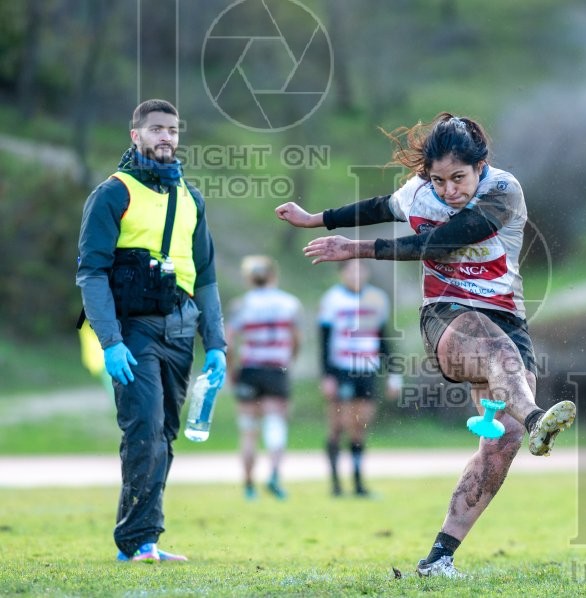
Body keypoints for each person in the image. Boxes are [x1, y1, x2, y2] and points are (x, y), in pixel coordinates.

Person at [275, 112, 576, 578]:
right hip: (446, 317)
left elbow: (444, 241)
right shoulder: (417, 193)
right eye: (438, 180)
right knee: (499, 361)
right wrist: (316, 220)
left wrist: (353, 248)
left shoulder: (503, 192)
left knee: (504, 441)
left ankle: (438, 558)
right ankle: (537, 416)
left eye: (459, 178)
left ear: (481, 167)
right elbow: (380, 206)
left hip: (506, 318)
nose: (449, 190)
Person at [76, 99, 227, 563]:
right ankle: (138, 541)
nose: (166, 137)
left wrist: (217, 344)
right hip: (133, 330)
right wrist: (111, 341)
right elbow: (91, 272)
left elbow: (205, 278)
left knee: (162, 434)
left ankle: (143, 541)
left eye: (173, 130)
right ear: (135, 135)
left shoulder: (191, 199)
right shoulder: (111, 194)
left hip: (180, 332)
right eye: (157, 129)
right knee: (143, 430)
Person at [319, 259, 401, 497]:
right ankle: (335, 484)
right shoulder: (331, 299)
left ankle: (358, 484)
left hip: (367, 369)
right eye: (351, 270)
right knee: (338, 426)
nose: (356, 274)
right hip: (341, 368)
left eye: (360, 269)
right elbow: (323, 339)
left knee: (360, 426)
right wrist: (327, 375)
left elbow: (384, 338)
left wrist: (394, 373)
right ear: (341, 273)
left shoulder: (377, 299)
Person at [226, 255, 303, 501]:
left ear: (249, 278)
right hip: (276, 369)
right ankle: (274, 476)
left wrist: (232, 372)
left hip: (250, 369)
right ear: (273, 275)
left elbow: (229, 343)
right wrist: (289, 360)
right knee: (275, 423)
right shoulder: (290, 303)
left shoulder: (241, 305)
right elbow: (297, 338)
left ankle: (249, 486)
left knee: (248, 430)